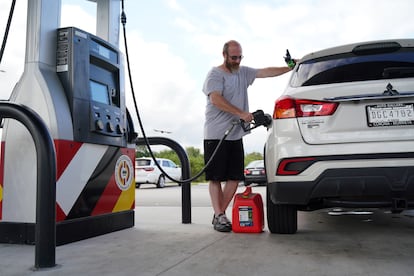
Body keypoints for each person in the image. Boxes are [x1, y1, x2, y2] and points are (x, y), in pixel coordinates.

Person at [202, 40, 295, 232]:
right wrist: (240, 113)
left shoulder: (243, 72)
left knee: (235, 178)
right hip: (216, 134)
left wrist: (292, 66)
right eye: (233, 57)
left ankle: (219, 214)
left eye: (239, 57)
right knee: (216, 178)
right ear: (224, 55)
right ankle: (220, 215)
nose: (237, 61)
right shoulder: (215, 74)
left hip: (236, 134)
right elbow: (215, 99)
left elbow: (265, 72)